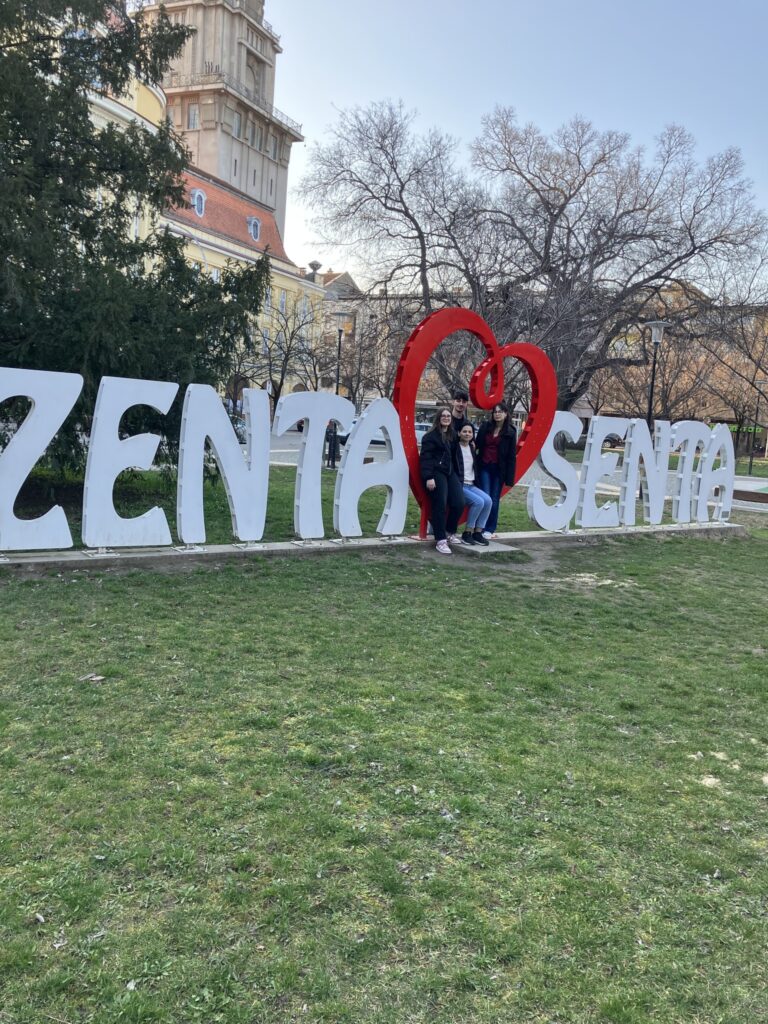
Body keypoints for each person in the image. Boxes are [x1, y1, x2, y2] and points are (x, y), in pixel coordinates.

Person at [420, 407, 465, 555]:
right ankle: (440, 540)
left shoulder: (453, 435)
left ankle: (450, 532)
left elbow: (456, 456)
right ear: (438, 418)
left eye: (448, 416)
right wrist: (429, 477)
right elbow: (425, 458)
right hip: (436, 473)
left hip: (450, 473)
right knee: (440, 504)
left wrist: (459, 475)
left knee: (459, 502)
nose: (446, 418)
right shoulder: (430, 437)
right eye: (443, 416)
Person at [475, 401, 517, 538]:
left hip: (499, 470)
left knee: (494, 498)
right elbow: (477, 444)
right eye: (495, 412)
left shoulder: (510, 432)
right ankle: (480, 527)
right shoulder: (486, 427)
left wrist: (510, 478)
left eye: (500, 412)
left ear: (505, 414)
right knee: (486, 496)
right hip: (484, 466)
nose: (497, 414)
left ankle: (490, 528)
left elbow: (511, 456)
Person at [455, 423, 492, 545]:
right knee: (478, 502)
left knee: (488, 501)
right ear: (459, 433)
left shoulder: (472, 448)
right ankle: (467, 533)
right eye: (464, 431)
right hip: (460, 485)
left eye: (470, 432)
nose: (467, 434)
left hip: (471, 485)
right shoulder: (455, 448)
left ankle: (478, 533)